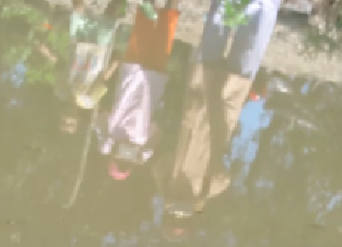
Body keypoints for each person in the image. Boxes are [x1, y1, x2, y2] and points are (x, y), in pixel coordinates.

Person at [156, 0, 279, 227]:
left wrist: (166, 193)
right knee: (253, 39)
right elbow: (225, 179)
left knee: (216, 25)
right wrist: (201, 199)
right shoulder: (206, 189)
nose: (180, 208)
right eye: (182, 218)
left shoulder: (168, 179)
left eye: (174, 215)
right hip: (226, 104)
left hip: (199, 92)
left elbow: (160, 160)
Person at [96, 1, 180, 181]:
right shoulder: (142, 142)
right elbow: (158, 130)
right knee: (166, 32)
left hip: (132, 74)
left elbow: (99, 115)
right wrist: (144, 153)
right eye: (128, 162)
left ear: (112, 158)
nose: (125, 156)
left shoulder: (111, 134)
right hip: (154, 81)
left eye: (120, 160)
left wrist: (108, 144)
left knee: (142, 28)